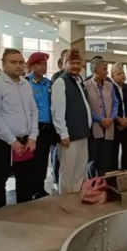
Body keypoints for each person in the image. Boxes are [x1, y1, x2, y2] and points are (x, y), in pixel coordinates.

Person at [0, 48, 38, 209]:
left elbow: (33, 111)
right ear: (3, 64)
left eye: (21, 62)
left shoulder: (26, 84)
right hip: (3, 144)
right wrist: (12, 141)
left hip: (25, 142)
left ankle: (23, 214)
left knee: (25, 182)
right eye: (13, 62)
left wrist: (33, 136)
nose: (18, 65)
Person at [51, 49, 92, 194]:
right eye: (72, 63)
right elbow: (57, 111)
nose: (75, 66)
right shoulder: (61, 82)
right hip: (69, 135)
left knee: (80, 169)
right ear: (64, 64)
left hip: (82, 133)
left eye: (78, 63)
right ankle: (65, 200)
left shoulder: (79, 81)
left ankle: (77, 196)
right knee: (68, 171)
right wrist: (63, 133)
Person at [27, 51, 56, 199]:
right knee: (33, 161)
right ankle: (31, 189)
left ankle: (40, 189)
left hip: (47, 128)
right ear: (32, 66)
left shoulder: (48, 83)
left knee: (43, 160)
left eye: (45, 64)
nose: (43, 67)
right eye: (39, 64)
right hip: (34, 128)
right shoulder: (27, 83)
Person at [85, 58, 118, 177]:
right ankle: (93, 184)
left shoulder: (110, 85)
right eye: (104, 69)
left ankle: (104, 184)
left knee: (106, 160)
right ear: (95, 70)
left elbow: (116, 103)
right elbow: (86, 108)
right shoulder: (85, 86)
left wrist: (111, 118)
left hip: (109, 126)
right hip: (94, 128)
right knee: (93, 160)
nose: (107, 72)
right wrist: (100, 119)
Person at [50, 48, 71, 192]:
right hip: (59, 125)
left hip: (70, 125)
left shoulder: (75, 79)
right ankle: (56, 179)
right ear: (62, 62)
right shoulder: (58, 78)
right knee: (57, 154)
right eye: (68, 59)